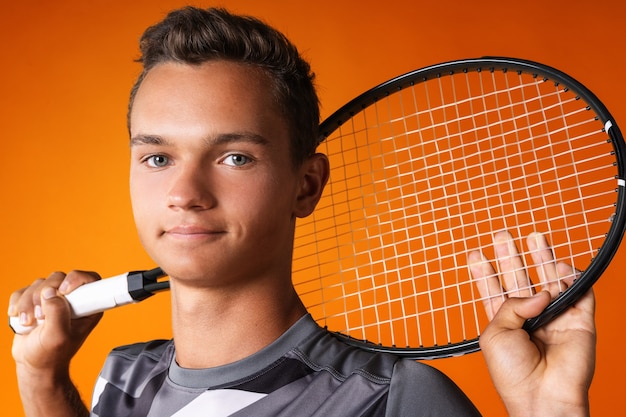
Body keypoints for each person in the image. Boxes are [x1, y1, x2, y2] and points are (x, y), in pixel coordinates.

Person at [8, 6, 595, 417]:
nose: (185, 192)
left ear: (306, 186)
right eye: (158, 157)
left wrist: (552, 414)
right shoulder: (123, 379)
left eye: (234, 156)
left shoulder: (390, 400)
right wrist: (42, 378)